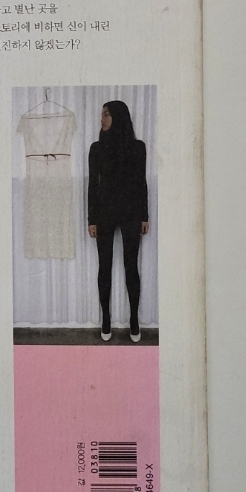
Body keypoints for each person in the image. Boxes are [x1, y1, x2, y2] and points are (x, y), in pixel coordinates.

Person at [87, 100, 149, 342]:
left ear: (119, 117)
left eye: (106, 114)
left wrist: (144, 215)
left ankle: (134, 319)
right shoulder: (96, 148)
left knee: (131, 267)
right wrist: (92, 219)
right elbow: (93, 185)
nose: (101, 119)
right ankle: (106, 319)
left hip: (131, 212)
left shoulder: (137, 147)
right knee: (104, 267)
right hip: (104, 213)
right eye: (102, 114)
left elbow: (141, 183)